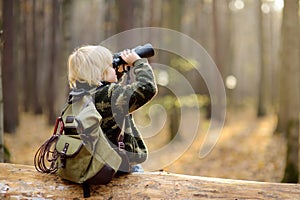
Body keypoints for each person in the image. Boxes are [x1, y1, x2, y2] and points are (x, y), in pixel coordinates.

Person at [67, 45, 157, 173]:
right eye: (111, 66)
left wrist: (119, 71)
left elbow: (108, 93)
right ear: (100, 71)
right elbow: (147, 88)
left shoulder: (81, 95)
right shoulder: (112, 95)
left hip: (97, 164)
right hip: (121, 167)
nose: (114, 68)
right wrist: (139, 62)